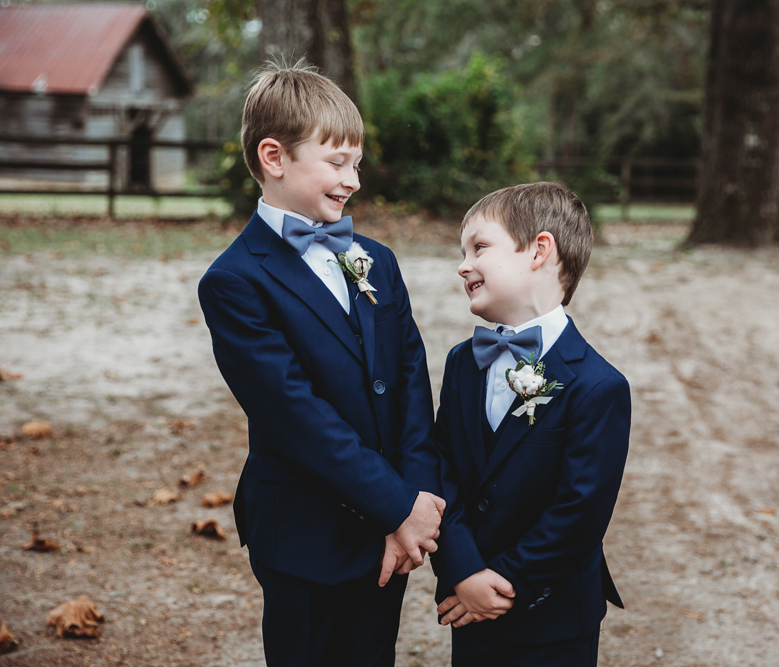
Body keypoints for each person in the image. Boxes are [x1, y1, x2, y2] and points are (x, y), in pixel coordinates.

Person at [198, 62, 443, 667]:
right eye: (337, 162)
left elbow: (410, 377)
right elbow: (293, 414)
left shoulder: (376, 261)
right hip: (306, 535)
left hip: (391, 532)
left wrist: (419, 501)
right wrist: (397, 504)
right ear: (275, 158)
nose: (352, 180)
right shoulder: (235, 281)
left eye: (356, 163)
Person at [432, 182, 631, 666]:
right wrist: (463, 570)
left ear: (540, 250)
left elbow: (579, 512)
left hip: (552, 618)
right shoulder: (463, 363)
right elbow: (442, 470)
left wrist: (502, 584)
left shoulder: (598, 386)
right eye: (463, 252)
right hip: (469, 600)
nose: (463, 264)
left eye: (479, 247)